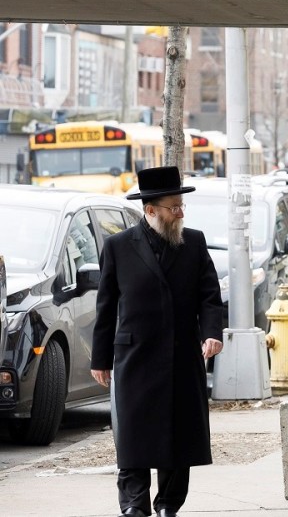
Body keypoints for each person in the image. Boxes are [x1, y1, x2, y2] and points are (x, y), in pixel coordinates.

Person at [91, 167, 226, 517]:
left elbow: (209, 295)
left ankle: (168, 504)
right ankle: (134, 504)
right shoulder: (118, 247)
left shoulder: (193, 242)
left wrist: (211, 332)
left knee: (180, 435)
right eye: (173, 207)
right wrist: (100, 358)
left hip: (183, 355)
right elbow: (105, 308)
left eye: (182, 205)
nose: (180, 212)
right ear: (151, 210)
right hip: (134, 357)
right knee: (133, 437)